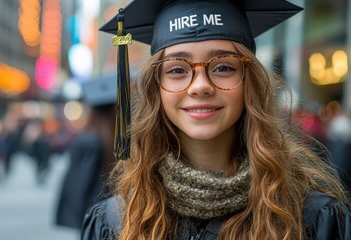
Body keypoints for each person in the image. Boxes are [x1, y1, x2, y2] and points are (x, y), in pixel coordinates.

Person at [81, 0, 351, 239]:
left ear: (250, 84)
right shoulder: (116, 222)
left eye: (223, 67)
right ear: (157, 88)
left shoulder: (312, 217)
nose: (200, 86)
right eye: (177, 69)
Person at [55, 75, 117, 231]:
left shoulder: (91, 138)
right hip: (99, 211)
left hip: (99, 213)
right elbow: (81, 184)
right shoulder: (93, 142)